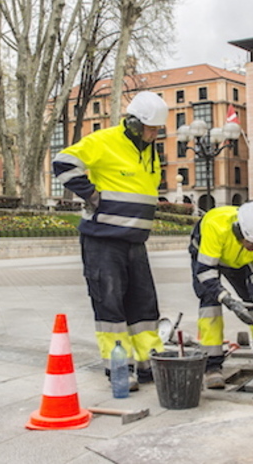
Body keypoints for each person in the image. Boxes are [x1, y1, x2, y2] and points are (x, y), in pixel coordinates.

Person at [52, 91, 168, 391]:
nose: (155, 134)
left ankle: (148, 362)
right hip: (103, 240)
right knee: (111, 306)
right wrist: (91, 195)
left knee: (144, 306)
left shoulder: (150, 150)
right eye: (151, 129)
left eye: (158, 129)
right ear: (133, 124)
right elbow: (63, 162)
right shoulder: (104, 140)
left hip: (135, 241)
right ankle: (119, 368)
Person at [189, 200, 253, 390]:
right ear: (238, 231)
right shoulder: (215, 225)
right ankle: (212, 366)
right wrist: (228, 300)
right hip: (207, 258)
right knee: (210, 305)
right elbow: (206, 272)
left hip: (239, 261)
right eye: (252, 243)